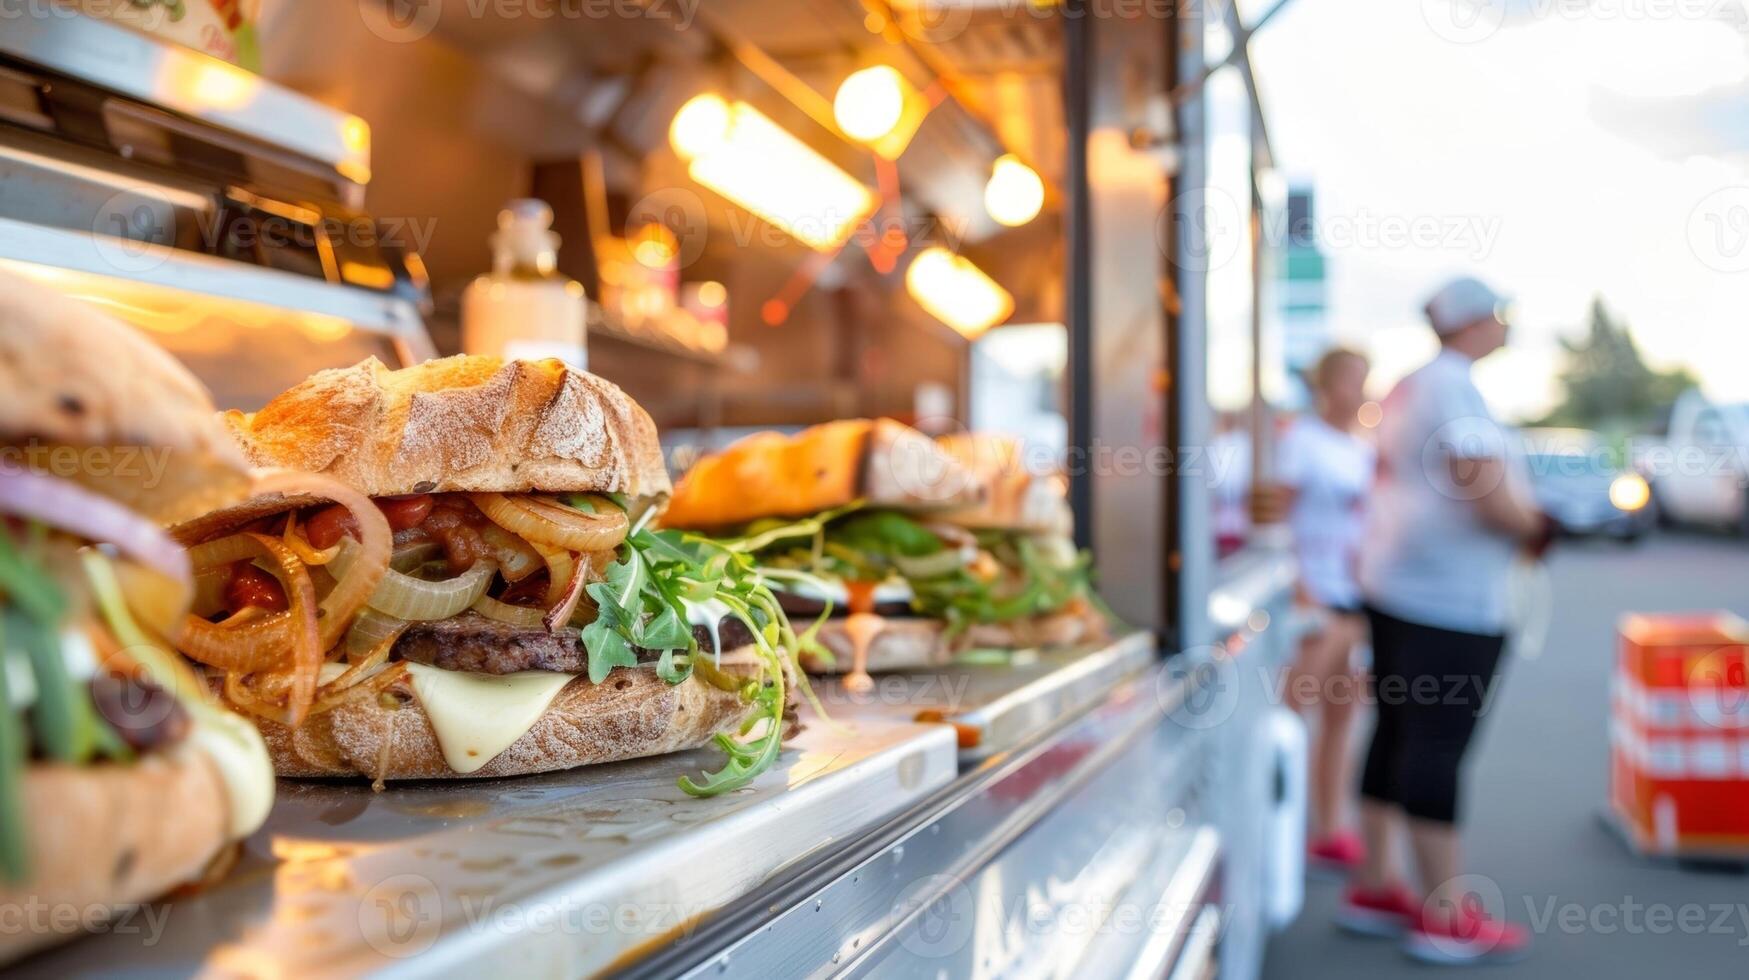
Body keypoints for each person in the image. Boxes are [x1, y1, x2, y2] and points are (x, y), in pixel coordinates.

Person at [1339, 277, 1548, 965]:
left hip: (1399, 585)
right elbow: (1476, 478)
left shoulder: (1414, 383)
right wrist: (1534, 526)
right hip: (1448, 599)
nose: (1506, 327)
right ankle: (1443, 912)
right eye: (1500, 315)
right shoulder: (1451, 383)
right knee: (1436, 744)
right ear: (1475, 322)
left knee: (1397, 732)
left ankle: (1376, 884)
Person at [1277, 348, 1374, 876]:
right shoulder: (1301, 443)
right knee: (1294, 716)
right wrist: (1300, 586)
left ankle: (1330, 828)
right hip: (1317, 600)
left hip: (1355, 599)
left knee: (1343, 718)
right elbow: (1275, 522)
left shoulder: (1360, 446)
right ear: (1328, 386)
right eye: (1353, 381)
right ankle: (1278, 830)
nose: (1361, 391)